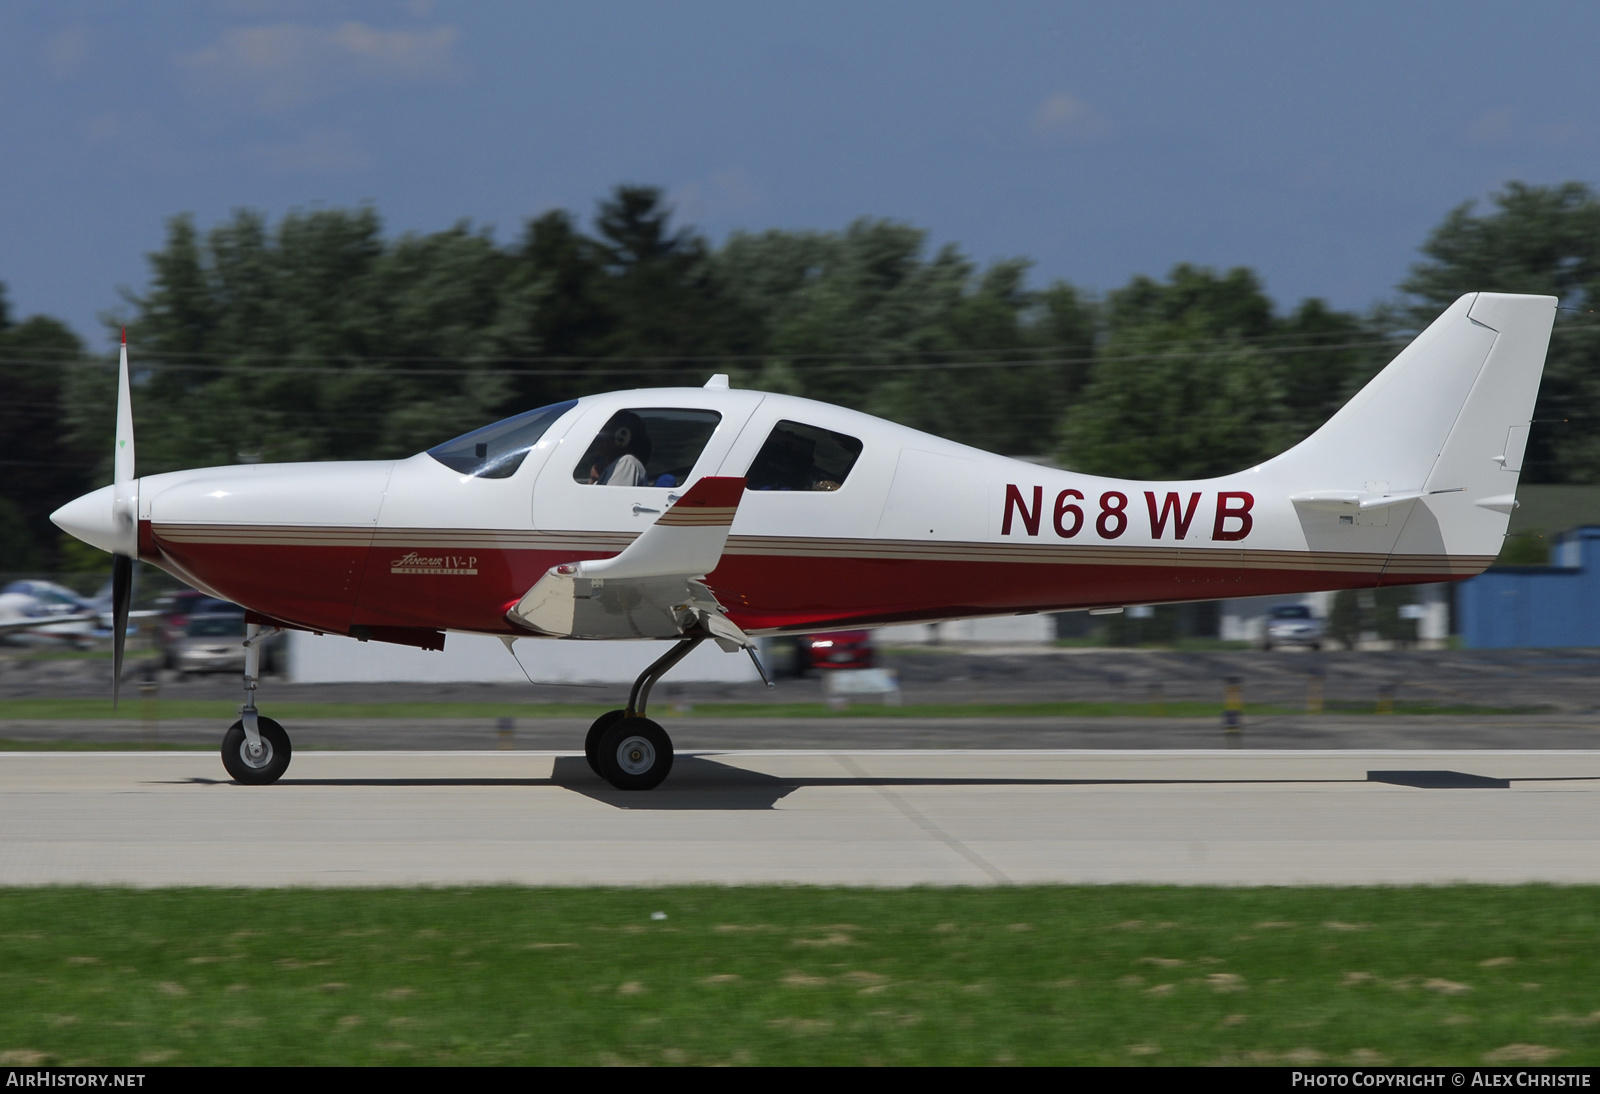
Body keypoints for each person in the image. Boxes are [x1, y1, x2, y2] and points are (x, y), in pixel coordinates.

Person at [582, 412, 652, 486]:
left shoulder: (627, 463)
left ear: (622, 435)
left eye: (606, 429)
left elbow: (611, 497)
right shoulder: (613, 468)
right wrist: (594, 480)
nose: (599, 434)